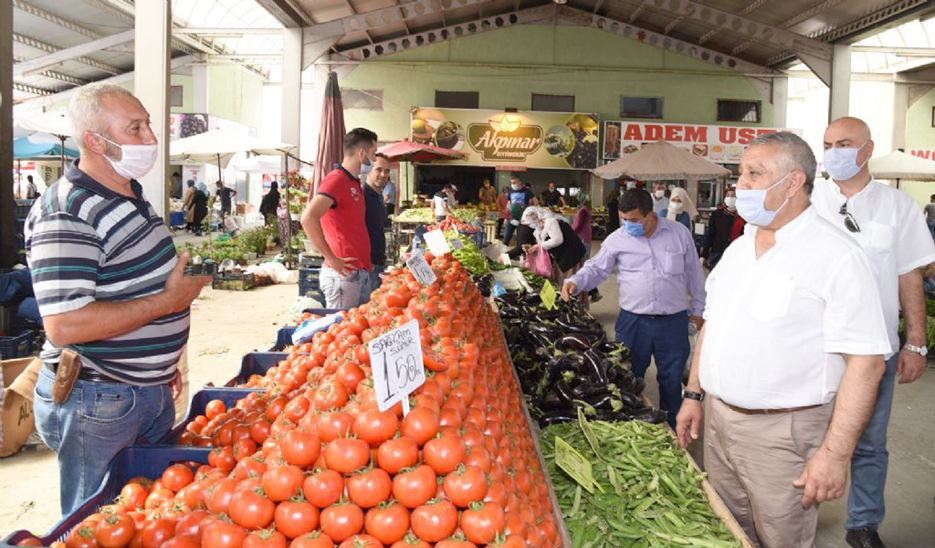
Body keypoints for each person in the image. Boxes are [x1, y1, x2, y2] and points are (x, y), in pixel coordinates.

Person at [675, 131, 891, 548]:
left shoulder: (837, 256)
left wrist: (833, 455)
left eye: (755, 174)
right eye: (741, 174)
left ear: (792, 183)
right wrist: (694, 394)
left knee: (781, 537)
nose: (741, 185)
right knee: (727, 530)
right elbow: (713, 326)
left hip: (783, 435)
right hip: (721, 426)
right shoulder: (739, 250)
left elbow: (867, 364)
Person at [25, 83, 209, 515]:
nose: (151, 139)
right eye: (136, 128)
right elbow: (65, 325)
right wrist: (168, 303)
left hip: (142, 392)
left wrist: (161, 365)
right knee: (99, 521)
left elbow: (128, 285)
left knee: (146, 516)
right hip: (99, 399)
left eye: (149, 126)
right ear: (94, 141)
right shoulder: (67, 211)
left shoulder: (128, 194)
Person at [811, 117, 935, 548]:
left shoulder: (898, 207)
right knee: (804, 436)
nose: (833, 152)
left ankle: (863, 524)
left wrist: (916, 342)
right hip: (814, 348)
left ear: (867, 149)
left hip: (874, 351)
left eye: (843, 143)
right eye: (827, 144)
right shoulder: (806, 201)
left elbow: (909, 276)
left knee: (868, 444)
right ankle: (795, 517)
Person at [561, 189, 706, 427]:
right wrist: (575, 282)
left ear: (650, 215)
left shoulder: (679, 234)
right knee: (627, 377)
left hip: (673, 322)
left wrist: (699, 311)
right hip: (633, 322)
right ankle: (633, 428)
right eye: (624, 219)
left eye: (634, 220)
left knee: (671, 381)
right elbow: (596, 268)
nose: (628, 225)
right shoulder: (617, 239)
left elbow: (694, 276)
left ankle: (673, 431)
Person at [301, 128, 376, 310]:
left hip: (357, 272)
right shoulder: (336, 180)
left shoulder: (353, 182)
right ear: (361, 153)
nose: (373, 160)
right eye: (373, 154)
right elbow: (308, 217)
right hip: (343, 276)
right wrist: (331, 258)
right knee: (341, 332)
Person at [525, 207, 586, 286]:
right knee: (562, 281)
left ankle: (573, 297)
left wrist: (539, 245)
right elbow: (544, 243)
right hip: (562, 255)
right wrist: (536, 248)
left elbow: (557, 240)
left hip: (571, 254)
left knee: (571, 282)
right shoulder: (540, 226)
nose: (531, 224)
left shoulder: (550, 221)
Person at [363, 154, 391, 302]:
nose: (383, 175)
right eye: (379, 169)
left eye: (387, 171)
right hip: (366, 266)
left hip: (377, 263)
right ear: (368, 170)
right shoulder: (363, 195)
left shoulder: (378, 196)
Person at [702, 187, 744, 269]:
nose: (730, 198)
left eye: (733, 195)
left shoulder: (743, 215)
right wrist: (704, 255)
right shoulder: (717, 214)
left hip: (736, 253)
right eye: (728, 195)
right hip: (718, 253)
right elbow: (710, 234)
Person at [504, 176, 535, 246]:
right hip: (512, 217)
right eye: (512, 183)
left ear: (519, 182)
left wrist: (530, 211)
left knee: (521, 240)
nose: (513, 184)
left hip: (523, 219)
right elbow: (508, 204)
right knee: (506, 237)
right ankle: (505, 254)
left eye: (514, 182)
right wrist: (506, 216)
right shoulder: (510, 191)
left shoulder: (527, 191)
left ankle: (519, 254)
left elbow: (535, 201)